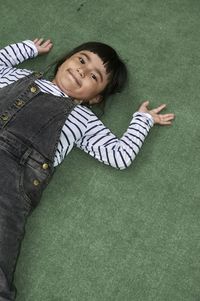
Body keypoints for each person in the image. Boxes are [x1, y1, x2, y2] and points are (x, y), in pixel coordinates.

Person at [0, 38, 175, 300]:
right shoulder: (20, 76)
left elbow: (120, 155)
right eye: (82, 60)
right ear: (64, 61)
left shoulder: (83, 120)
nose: (83, 70)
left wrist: (142, 120)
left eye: (94, 75)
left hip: (12, 180)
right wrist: (29, 49)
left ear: (95, 98)